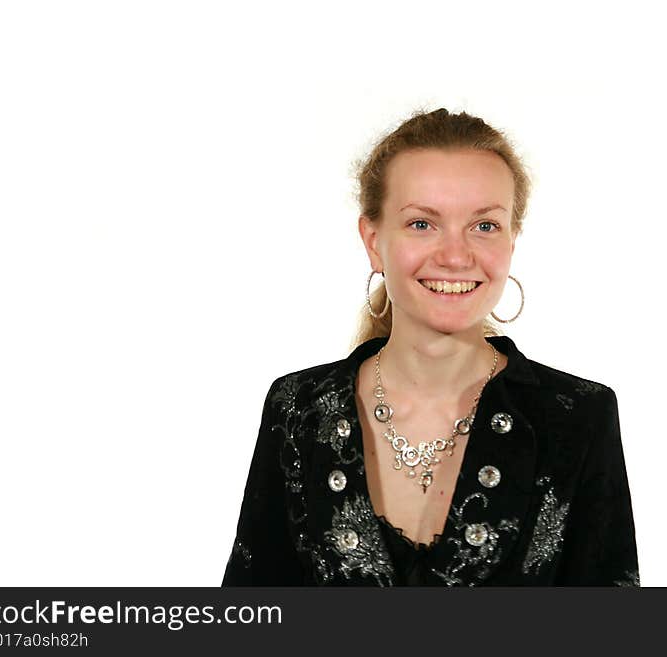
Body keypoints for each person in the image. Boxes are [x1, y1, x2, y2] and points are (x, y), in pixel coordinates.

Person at [222, 108, 639, 586]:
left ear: (512, 240)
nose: (456, 256)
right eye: (422, 224)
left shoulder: (578, 417)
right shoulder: (298, 409)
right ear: (374, 240)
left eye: (484, 226)